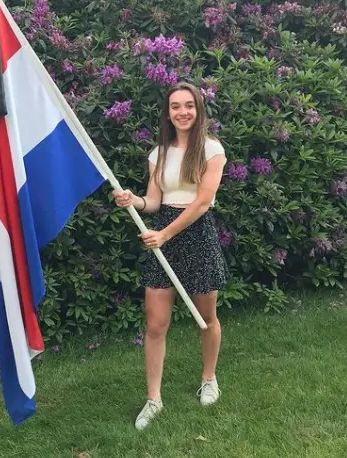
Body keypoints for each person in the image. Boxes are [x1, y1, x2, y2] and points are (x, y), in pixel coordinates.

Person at [112, 81, 227, 430]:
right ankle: (154, 399)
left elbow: (202, 202)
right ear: (168, 113)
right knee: (155, 324)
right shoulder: (158, 154)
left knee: (206, 318)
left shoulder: (212, 149)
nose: (182, 112)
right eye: (175, 106)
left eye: (188, 105)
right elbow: (154, 202)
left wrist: (165, 234)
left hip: (196, 234)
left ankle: (209, 378)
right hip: (162, 237)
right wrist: (134, 200)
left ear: (198, 109)